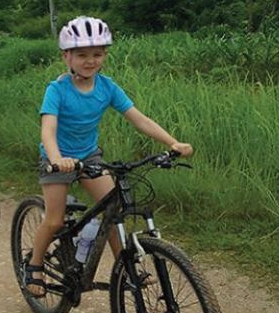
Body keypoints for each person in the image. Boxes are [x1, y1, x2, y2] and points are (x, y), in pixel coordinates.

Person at [25, 16, 193, 297]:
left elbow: (139, 119)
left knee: (114, 209)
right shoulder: (57, 90)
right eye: (82, 55)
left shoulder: (107, 87)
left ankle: (125, 269)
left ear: (104, 55)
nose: (90, 61)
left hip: (89, 156)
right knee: (54, 220)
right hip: (58, 159)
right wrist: (56, 157)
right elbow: (48, 129)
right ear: (66, 56)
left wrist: (173, 142)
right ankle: (35, 265)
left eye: (97, 54)